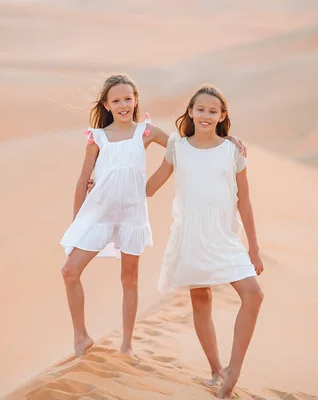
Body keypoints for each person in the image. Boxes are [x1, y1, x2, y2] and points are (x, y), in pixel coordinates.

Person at [60, 74, 247, 358]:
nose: (123, 105)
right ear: (107, 105)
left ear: (135, 100)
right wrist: (78, 224)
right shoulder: (96, 138)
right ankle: (81, 336)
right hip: (99, 213)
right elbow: (81, 181)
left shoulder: (145, 132)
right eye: (116, 100)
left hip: (132, 213)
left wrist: (224, 138)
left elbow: (182, 145)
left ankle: (127, 344)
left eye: (128, 99)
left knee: (129, 278)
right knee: (69, 271)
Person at [146, 84, 264, 398]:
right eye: (200, 109)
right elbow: (151, 186)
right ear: (190, 112)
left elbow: (245, 202)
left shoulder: (233, 151)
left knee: (253, 294)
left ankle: (233, 371)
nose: (206, 115)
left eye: (213, 111)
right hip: (191, 235)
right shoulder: (178, 147)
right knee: (201, 300)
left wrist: (253, 247)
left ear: (223, 116)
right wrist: (107, 178)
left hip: (226, 236)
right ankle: (216, 370)